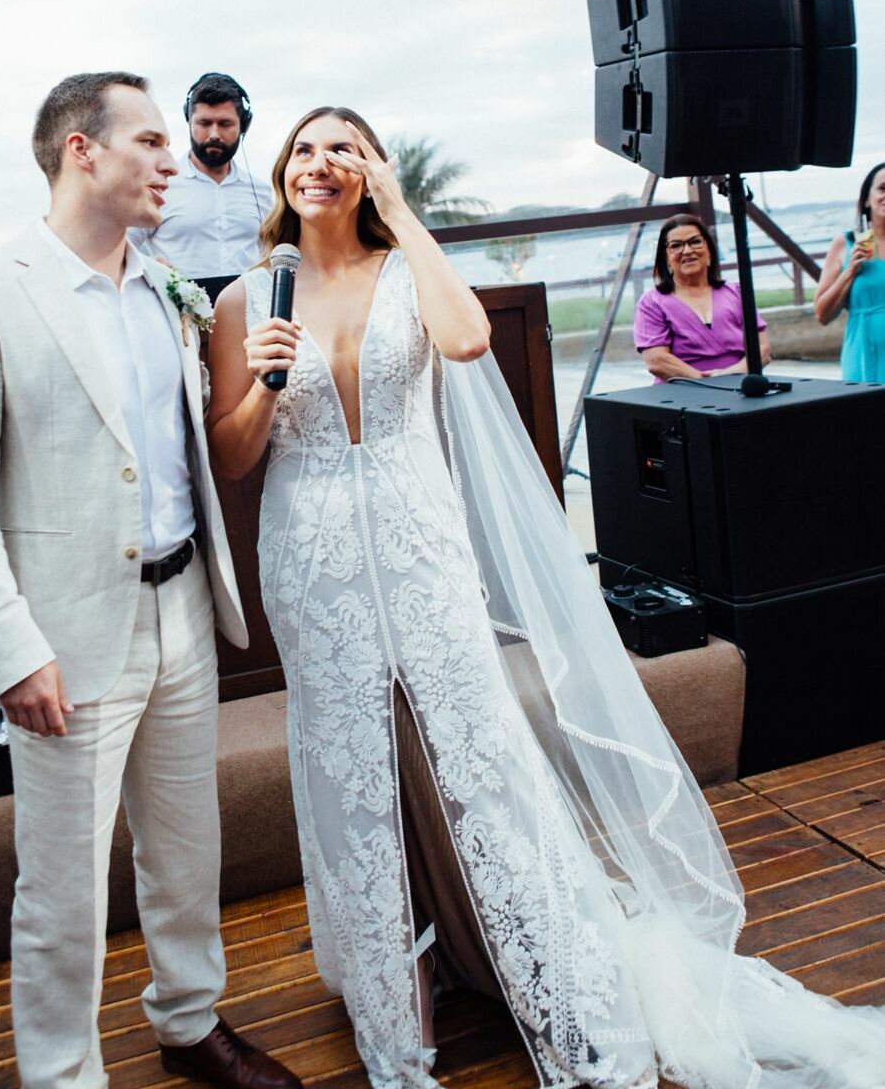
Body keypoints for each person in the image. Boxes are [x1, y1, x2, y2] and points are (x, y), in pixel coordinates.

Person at [205, 106, 885, 1089]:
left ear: (370, 174)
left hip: (417, 541)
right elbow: (232, 453)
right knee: (344, 768)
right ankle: (394, 1015)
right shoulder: (243, 300)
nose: (322, 163)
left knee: (477, 754)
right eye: (305, 149)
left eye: (344, 149)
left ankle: (548, 975)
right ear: (281, 173)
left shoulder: (405, 274)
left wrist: (401, 211)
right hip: (310, 565)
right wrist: (264, 384)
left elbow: (467, 337)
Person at [0, 72, 301, 1089]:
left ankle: (188, 1019)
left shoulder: (167, 285)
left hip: (182, 606)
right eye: (147, 139)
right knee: (62, 886)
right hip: (64, 638)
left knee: (187, 849)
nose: (171, 157)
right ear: (81, 150)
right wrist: (11, 650)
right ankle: (60, 1071)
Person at [130, 71, 268, 304]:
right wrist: (150, 267)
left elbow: (271, 259)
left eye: (225, 124)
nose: (214, 134)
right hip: (177, 322)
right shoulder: (160, 185)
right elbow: (121, 248)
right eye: (204, 123)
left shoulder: (262, 192)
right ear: (189, 122)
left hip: (245, 325)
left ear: (243, 125)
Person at [634, 213, 770, 383]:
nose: (687, 250)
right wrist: (705, 380)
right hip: (680, 395)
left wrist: (731, 375)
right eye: (676, 246)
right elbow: (656, 361)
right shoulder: (652, 303)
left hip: (741, 386)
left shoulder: (737, 292)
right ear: (666, 258)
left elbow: (762, 349)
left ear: (709, 250)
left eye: (695, 242)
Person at [814, 161, 885, 381]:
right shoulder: (846, 243)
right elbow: (823, 315)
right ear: (867, 198)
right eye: (882, 188)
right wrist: (850, 271)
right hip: (864, 356)